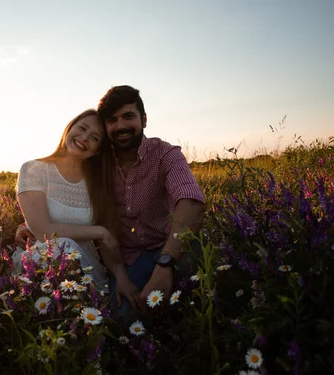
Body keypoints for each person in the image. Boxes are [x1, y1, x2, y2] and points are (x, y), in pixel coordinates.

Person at [16, 86, 206, 320]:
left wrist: (165, 264)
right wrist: (29, 226)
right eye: (112, 120)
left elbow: (191, 201)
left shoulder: (164, 154)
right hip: (128, 256)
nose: (121, 126)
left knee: (194, 303)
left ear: (143, 119)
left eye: (128, 117)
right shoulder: (100, 168)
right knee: (123, 318)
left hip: (168, 245)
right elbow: (52, 212)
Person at [12, 109, 120, 292]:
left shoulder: (96, 183)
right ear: (69, 128)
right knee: (65, 246)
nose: (85, 137)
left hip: (86, 265)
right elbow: (43, 232)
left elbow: (109, 242)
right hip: (41, 262)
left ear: (97, 150)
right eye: (82, 128)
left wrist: (120, 277)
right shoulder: (33, 169)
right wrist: (100, 232)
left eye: (94, 138)